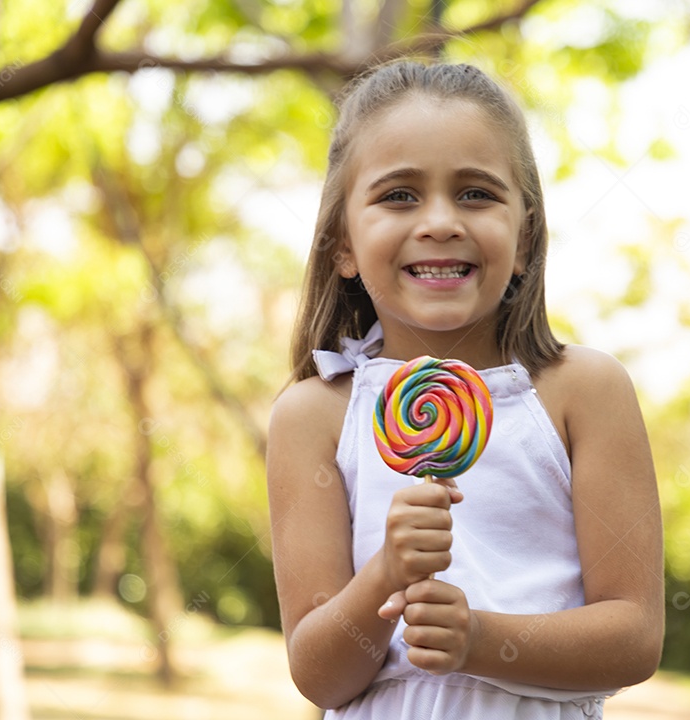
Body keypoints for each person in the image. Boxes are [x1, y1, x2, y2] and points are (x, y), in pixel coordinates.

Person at [267, 60, 663, 719]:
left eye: (477, 193)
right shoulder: (315, 413)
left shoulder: (583, 391)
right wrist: (385, 575)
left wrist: (479, 638)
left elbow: (635, 636)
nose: (441, 221)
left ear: (526, 233)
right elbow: (318, 675)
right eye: (399, 195)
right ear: (342, 241)